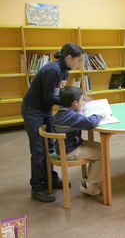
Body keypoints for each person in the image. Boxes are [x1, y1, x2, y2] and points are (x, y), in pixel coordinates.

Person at [22, 42, 84, 203]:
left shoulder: (64, 70)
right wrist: (72, 103)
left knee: (50, 146)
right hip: (33, 110)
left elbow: (60, 92)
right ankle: (37, 187)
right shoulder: (53, 70)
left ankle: (50, 178)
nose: (79, 63)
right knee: (38, 150)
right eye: (78, 60)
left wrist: (77, 98)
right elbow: (48, 96)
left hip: (46, 109)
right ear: (69, 58)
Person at [54, 86, 104, 196]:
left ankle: (90, 177)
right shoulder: (70, 116)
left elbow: (76, 114)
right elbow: (91, 123)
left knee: (102, 147)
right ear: (75, 103)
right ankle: (90, 185)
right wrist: (99, 114)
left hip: (68, 145)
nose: (83, 102)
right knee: (102, 153)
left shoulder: (63, 111)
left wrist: (82, 105)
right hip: (69, 151)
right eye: (81, 100)